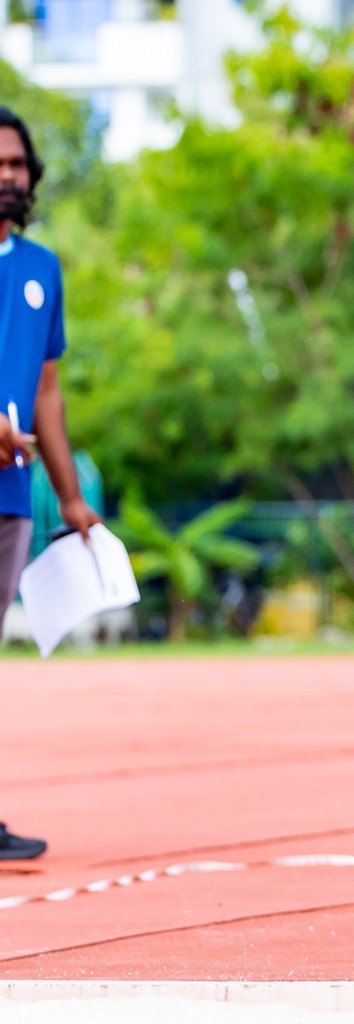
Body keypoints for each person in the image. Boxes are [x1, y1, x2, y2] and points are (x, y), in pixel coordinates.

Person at [0, 106, 102, 861]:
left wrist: (68, 495)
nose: (9, 177)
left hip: (11, 496)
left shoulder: (42, 269)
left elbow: (47, 391)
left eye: (16, 165)